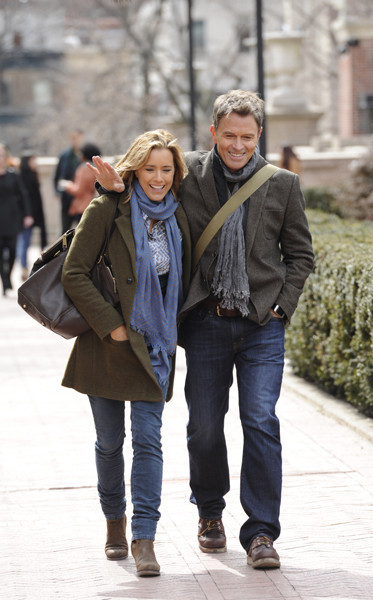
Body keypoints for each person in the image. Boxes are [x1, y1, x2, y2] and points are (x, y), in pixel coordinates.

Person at [92, 90, 314, 570]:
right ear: (214, 132)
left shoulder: (283, 184)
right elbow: (141, 193)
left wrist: (281, 306)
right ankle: (210, 511)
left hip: (261, 324)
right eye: (229, 135)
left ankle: (261, 532)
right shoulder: (187, 172)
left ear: (260, 135)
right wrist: (107, 190)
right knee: (206, 426)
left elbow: (300, 255)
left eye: (247, 137)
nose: (238, 145)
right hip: (206, 322)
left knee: (260, 420)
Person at [61, 129, 191, 577]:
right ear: (134, 170)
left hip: (154, 347)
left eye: (166, 169)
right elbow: (74, 273)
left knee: (149, 441)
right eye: (149, 168)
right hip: (109, 346)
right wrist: (112, 325)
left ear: (176, 173)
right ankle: (114, 519)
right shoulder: (107, 208)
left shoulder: (178, 215)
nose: (158, 177)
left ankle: (144, 538)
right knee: (110, 443)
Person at [0, 143, 33, 296]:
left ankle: (8, 276)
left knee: (13, 251)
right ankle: (5, 283)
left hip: (13, 218)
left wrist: (27, 214)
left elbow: (23, 195)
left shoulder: (13, 175)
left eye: (2, 156)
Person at [16, 151, 48, 281]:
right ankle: (23, 267)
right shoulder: (21, 177)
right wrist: (27, 214)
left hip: (36, 212)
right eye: (32, 160)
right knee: (24, 241)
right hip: (27, 213)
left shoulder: (34, 174)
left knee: (35, 239)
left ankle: (40, 266)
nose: (35, 163)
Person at [58, 142, 101, 226]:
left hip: (82, 206)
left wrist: (66, 185)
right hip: (92, 204)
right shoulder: (96, 167)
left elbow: (78, 190)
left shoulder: (84, 168)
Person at [53, 128, 84, 233]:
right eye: (72, 138)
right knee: (65, 230)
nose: (74, 140)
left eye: (76, 138)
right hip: (66, 198)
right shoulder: (64, 155)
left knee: (82, 230)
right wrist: (58, 192)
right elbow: (57, 176)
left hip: (81, 199)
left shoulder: (85, 154)